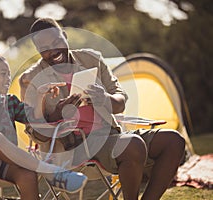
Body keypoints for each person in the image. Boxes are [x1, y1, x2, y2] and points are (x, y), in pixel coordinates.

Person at [19, 18, 186, 200]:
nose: (53, 50)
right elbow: (36, 135)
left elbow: (120, 101)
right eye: (44, 47)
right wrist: (57, 114)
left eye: (57, 41)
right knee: (133, 144)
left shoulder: (92, 59)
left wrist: (104, 99)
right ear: (38, 50)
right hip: (72, 149)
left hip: (111, 136)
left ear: (65, 36)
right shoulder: (30, 79)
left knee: (174, 141)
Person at [0, 53, 88, 200]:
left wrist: (40, 96)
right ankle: (50, 171)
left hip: (3, 162)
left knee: (28, 175)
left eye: (9, 74)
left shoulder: (10, 102)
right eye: (3, 74)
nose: (8, 79)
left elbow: (36, 121)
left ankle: (50, 172)